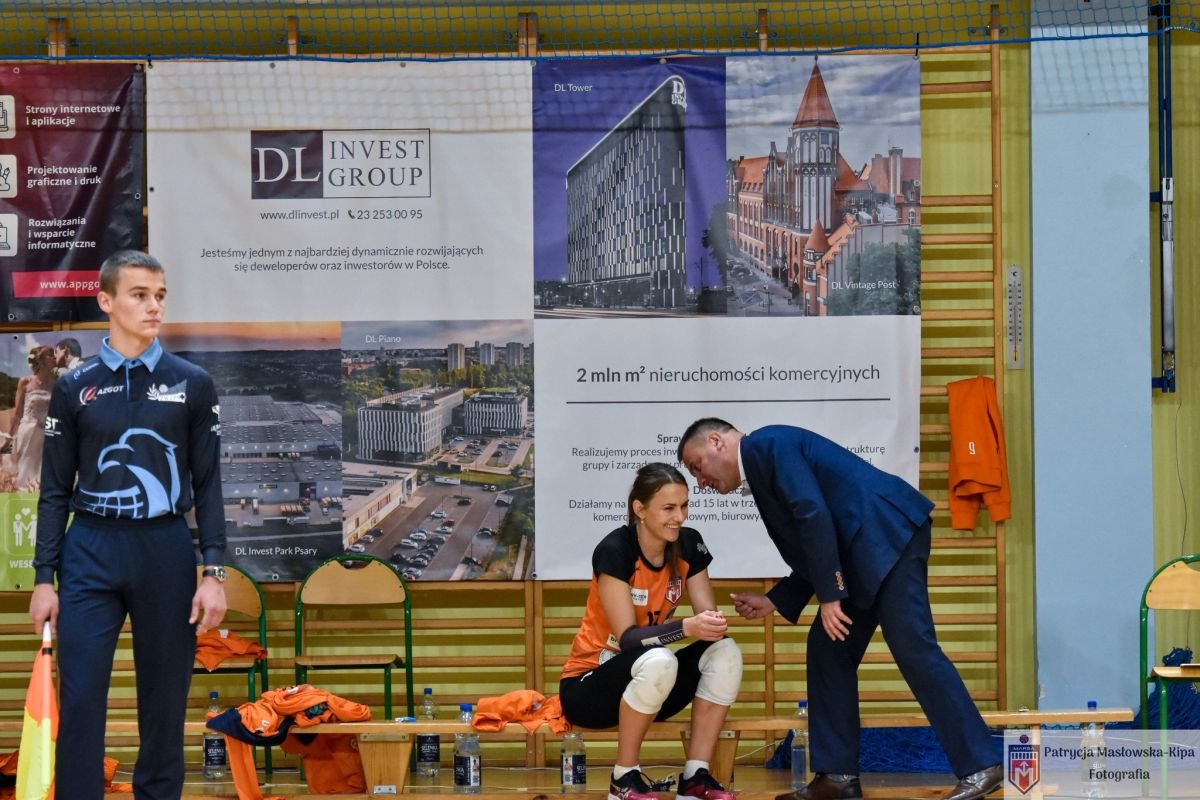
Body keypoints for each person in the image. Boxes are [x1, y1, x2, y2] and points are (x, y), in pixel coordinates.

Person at [677, 419, 1002, 800]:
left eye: (697, 466)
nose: (701, 482)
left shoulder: (766, 445)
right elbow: (813, 536)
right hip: (862, 551)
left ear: (716, 441)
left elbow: (813, 514)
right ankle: (838, 776)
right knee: (828, 649)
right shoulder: (764, 457)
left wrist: (830, 596)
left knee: (915, 648)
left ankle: (982, 765)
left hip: (887, 537)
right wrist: (776, 599)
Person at [29, 249, 228, 800]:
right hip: (90, 548)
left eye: (160, 295)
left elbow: (209, 484)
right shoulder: (75, 385)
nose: (154, 306)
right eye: (140, 295)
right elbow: (53, 490)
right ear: (106, 301)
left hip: (164, 548)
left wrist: (214, 572)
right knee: (82, 697)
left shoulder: (192, 382)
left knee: (164, 701)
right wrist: (44, 578)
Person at [559, 462, 743, 800]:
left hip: (651, 683)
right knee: (658, 659)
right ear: (640, 509)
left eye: (684, 506)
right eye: (669, 508)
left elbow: (706, 617)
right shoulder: (616, 550)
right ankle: (623, 779)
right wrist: (686, 627)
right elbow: (628, 638)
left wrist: (712, 623)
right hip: (590, 687)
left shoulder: (689, 544)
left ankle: (695, 776)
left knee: (725, 652)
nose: (679, 517)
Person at [6, 345, 55, 491]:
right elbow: (16, 414)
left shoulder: (56, 384)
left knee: (41, 479)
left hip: (45, 436)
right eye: (50, 354)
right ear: (41, 360)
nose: (54, 357)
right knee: (21, 477)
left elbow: (55, 414)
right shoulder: (25, 381)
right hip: (27, 433)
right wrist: (8, 440)